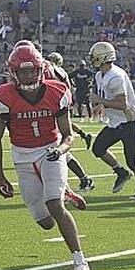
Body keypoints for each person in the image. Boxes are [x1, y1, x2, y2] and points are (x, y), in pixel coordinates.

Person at [0, 44, 90, 270]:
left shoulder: (57, 91)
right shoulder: (3, 97)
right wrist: (0, 176)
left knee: (54, 204)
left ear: (40, 69)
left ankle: (80, 261)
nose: (28, 76)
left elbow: (68, 135)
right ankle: (64, 191)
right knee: (45, 222)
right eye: (22, 72)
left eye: (32, 70)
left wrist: (61, 150)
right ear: (13, 73)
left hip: (50, 152)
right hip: (22, 158)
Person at [87, 41, 135, 200]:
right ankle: (121, 172)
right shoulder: (99, 74)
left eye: (94, 56)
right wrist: (100, 106)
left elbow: (123, 104)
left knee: (132, 160)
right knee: (98, 148)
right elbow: (109, 98)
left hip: (130, 121)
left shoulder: (116, 76)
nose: (91, 59)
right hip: (116, 122)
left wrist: (100, 101)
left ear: (102, 57)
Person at [42, 50, 95, 194]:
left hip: (55, 102)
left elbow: (62, 88)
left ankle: (81, 180)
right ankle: (82, 179)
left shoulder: (54, 72)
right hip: (57, 103)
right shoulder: (59, 72)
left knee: (59, 151)